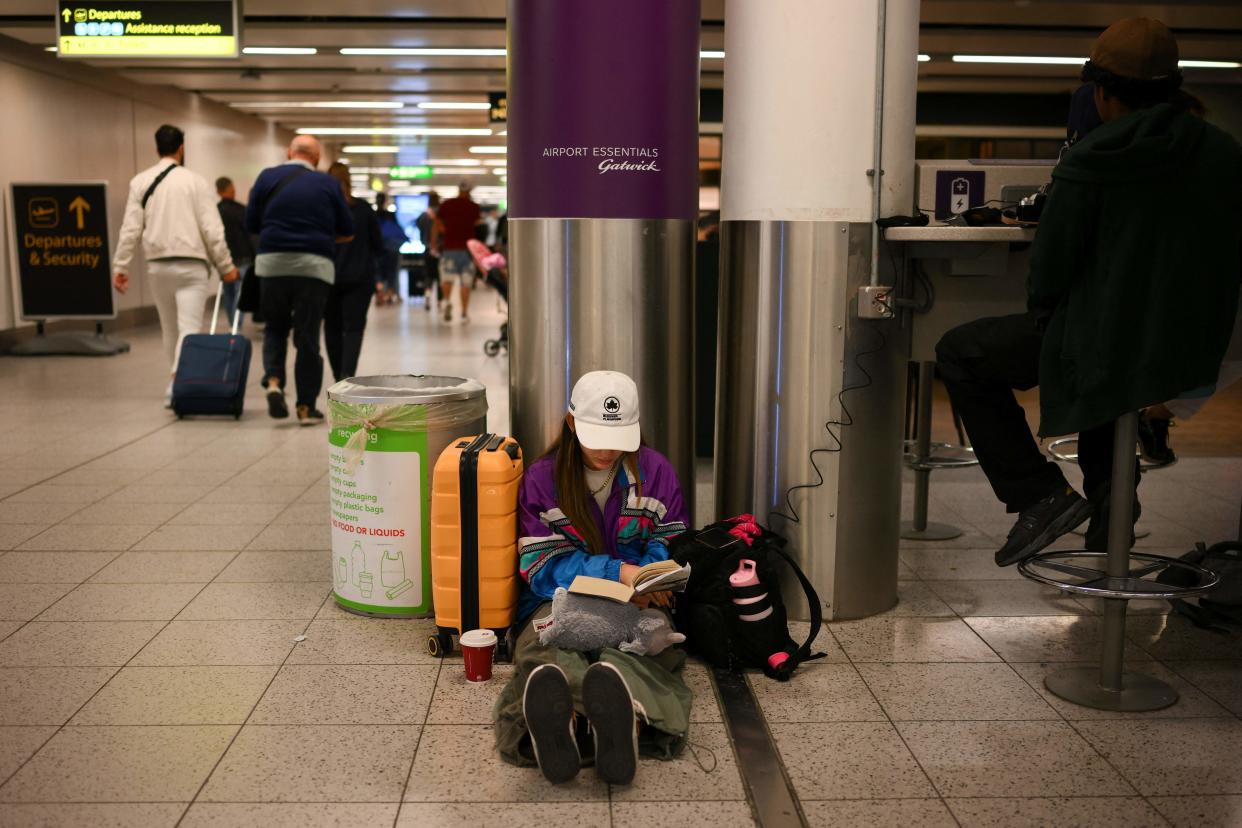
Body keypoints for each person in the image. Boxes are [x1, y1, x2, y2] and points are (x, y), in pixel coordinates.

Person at [935, 17, 1242, 567]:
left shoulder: (1092, 159)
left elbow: (1051, 272)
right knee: (1114, 373)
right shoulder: (1225, 155)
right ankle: (1111, 522)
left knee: (963, 351)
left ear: (1099, 92)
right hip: (1193, 353)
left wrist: (1053, 321)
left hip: (1112, 351)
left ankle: (1038, 495)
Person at [494, 371, 692, 786]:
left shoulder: (656, 472)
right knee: (541, 646)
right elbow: (540, 566)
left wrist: (652, 580)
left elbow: (670, 540)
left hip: (635, 603)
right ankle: (608, 716)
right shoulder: (541, 479)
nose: (606, 451)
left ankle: (590, 714)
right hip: (557, 600)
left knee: (653, 647)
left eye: (618, 440)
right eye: (595, 436)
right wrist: (616, 570)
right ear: (570, 424)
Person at [112, 124, 239, 408]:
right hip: (191, 266)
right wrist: (226, 266)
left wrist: (120, 266)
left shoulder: (140, 181)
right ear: (181, 148)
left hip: (157, 266)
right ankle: (177, 382)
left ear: (156, 148)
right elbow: (212, 230)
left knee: (169, 329)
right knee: (189, 329)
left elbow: (130, 228)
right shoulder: (195, 182)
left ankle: (175, 380)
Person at [246, 135, 354, 426]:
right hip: (313, 267)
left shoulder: (267, 178)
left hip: (272, 264)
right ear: (317, 159)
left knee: (275, 327)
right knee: (307, 336)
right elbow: (347, 229)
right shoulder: (328, 184)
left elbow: (252, 223)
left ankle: (273, 380)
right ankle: (306, 407)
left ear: (288, 152)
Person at [323, 163, 382, 382]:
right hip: (360, 278)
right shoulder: (364, 210)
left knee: (332, 327)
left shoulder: (323, 210)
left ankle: (336, 376)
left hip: (327, 277)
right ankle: (347, 375)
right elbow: (379, 246)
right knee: (354, 329)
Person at [434, 180, 482, 323]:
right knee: (466, 283)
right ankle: (464, 313)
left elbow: (437, 223)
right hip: (467, 250)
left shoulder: (447, 205)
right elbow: (477, 224)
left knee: (447, 279)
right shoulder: (474, 207)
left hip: (449, 248)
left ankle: (448, 300)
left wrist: (438, 237)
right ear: (470, 191)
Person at [215, 176, 255, 326]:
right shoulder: (241, 210)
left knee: (228, 293)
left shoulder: (215, 211)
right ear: (231, 189)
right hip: (243, 257)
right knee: (239, 293)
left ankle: (234, 325)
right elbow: (249, 234)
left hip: (225, 259)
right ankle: (236, 326)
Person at [375, 193, 408, 305]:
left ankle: (379, 290)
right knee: (392, 272)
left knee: (379, 272)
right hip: (392, 248)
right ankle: (390, 293)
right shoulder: (390, 215)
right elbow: (398, 230)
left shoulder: (374, 215)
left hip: (378, 248)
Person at [415, 192, 441, 312]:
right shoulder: (441, 215)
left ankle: (427, 297)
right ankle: (440, 302)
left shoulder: (423, 215)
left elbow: (418, 227)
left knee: (428, 276)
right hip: (440, 249)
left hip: (427, 248)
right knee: (440, 276)